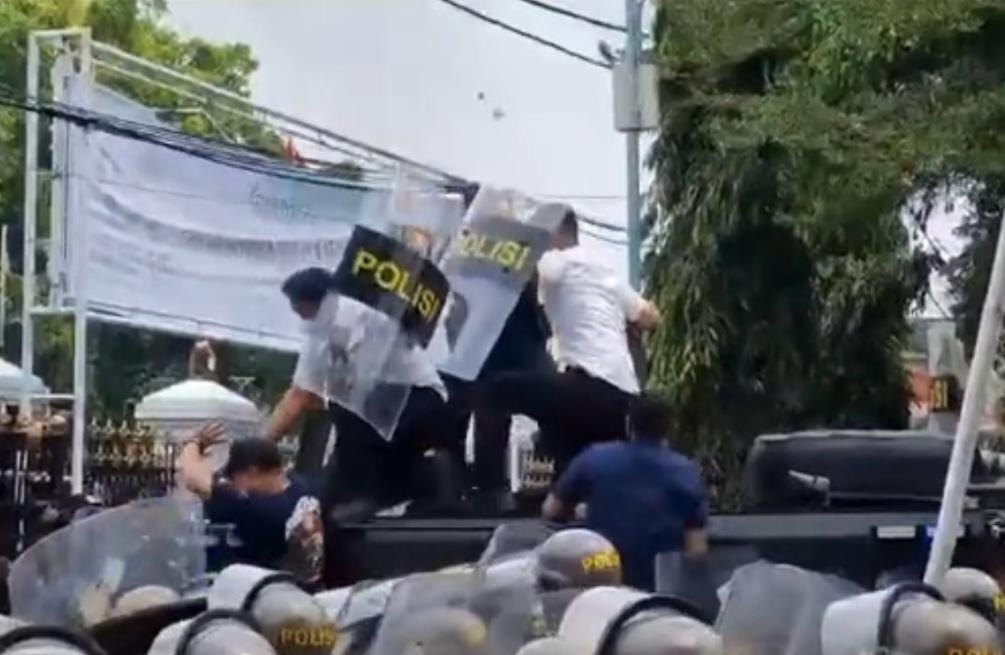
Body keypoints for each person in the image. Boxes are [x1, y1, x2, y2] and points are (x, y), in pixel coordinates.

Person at [473, 209, 661, 504]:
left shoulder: (555, 261)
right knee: (558, 433)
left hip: (587, 389)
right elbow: (650, 316)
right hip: (623, 402)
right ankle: (550, 497)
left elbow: (516, 267)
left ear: (554, 234)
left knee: (493, 390)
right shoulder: (605, 269)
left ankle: (487, 490)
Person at [266, 266, 457, 515]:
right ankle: (428, 477)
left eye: (299, 309)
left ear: (314, 301)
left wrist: (262, 444)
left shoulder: (367, 316)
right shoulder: (319, 334)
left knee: (344, 408)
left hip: (421, 401)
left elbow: (346, 389)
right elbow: (299, 393)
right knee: (328, 498)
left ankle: (364, 496)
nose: (299, 317)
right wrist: (261, 444)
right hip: (380, 411)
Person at [541, 393, 709, 590]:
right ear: (669, 427)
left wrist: (579, 513)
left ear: (629, 423)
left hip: (602, 580)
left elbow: (551, 510)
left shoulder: (594, 458)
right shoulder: (686, 471)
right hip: (658, 590)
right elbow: (695, 550)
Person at [179, 423, 324, 586]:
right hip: (305, 589)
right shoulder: (303, 488)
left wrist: (194, 443)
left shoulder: (256, 506)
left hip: (265, 597)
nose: (234, 485)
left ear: (252, 472)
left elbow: (193, 480)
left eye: (234, 479)